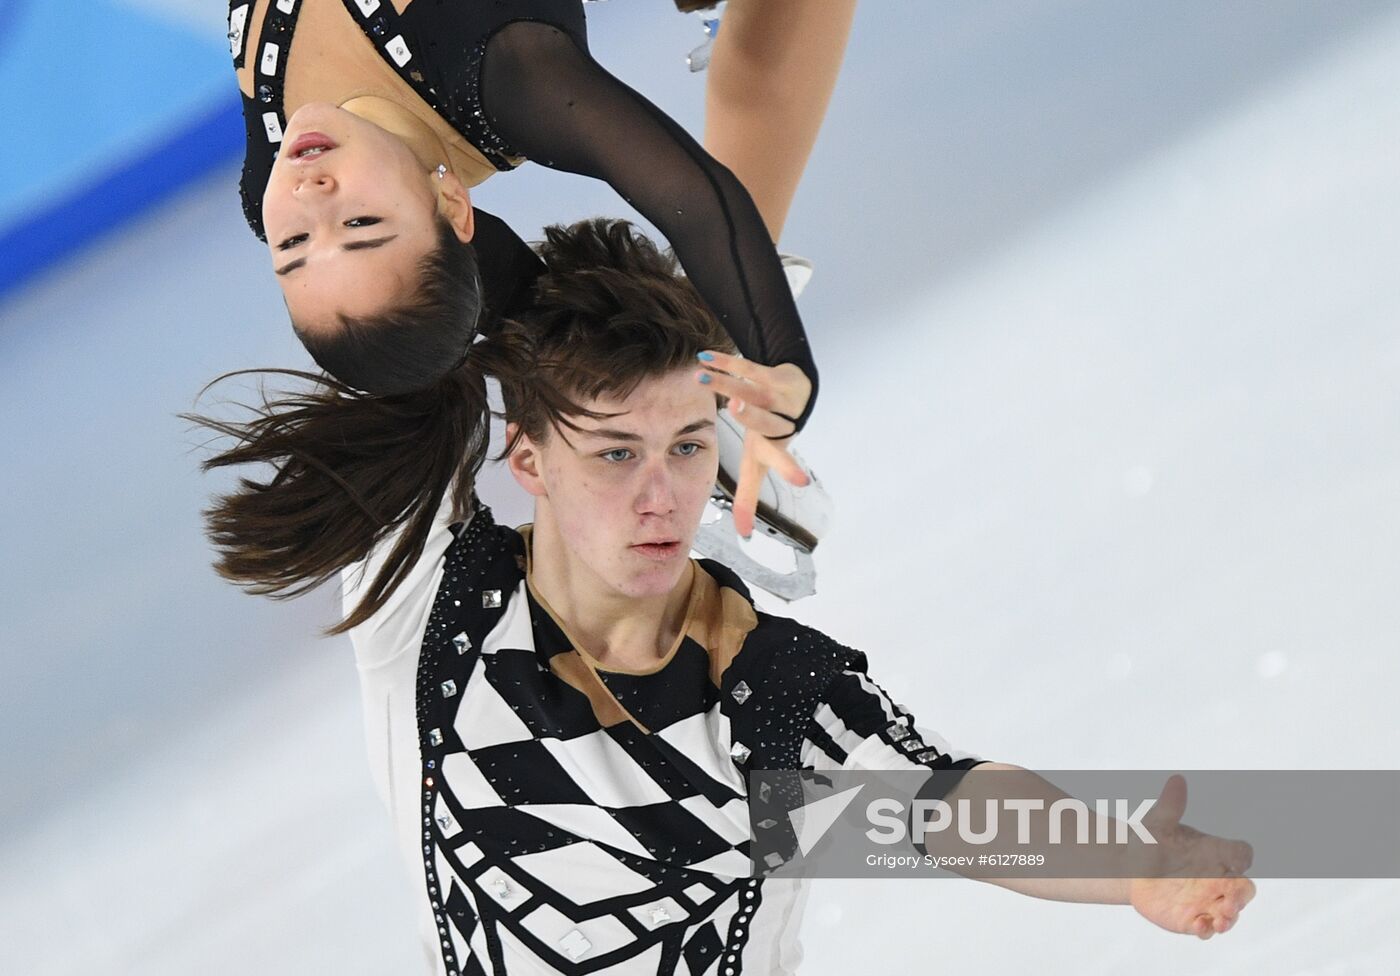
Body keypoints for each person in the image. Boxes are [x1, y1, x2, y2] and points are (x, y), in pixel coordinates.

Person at [190, 219, 1253, 975]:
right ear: (527, 459)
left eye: (687, 446)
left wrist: (1129, 869)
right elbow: (381, 303)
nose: (659, 498)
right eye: (612, 454)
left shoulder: (771, 692)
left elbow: (947, 808)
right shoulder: (430, 595)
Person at [226, 0, 855, 572]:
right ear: (451, 203)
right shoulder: (509, 74)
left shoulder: (274, 183)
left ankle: (698, 362)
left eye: (294, 246)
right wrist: (781, 360)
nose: (311, 199)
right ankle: (703, 369)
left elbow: (516, 307)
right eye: (360, 226)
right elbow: (691, 198)